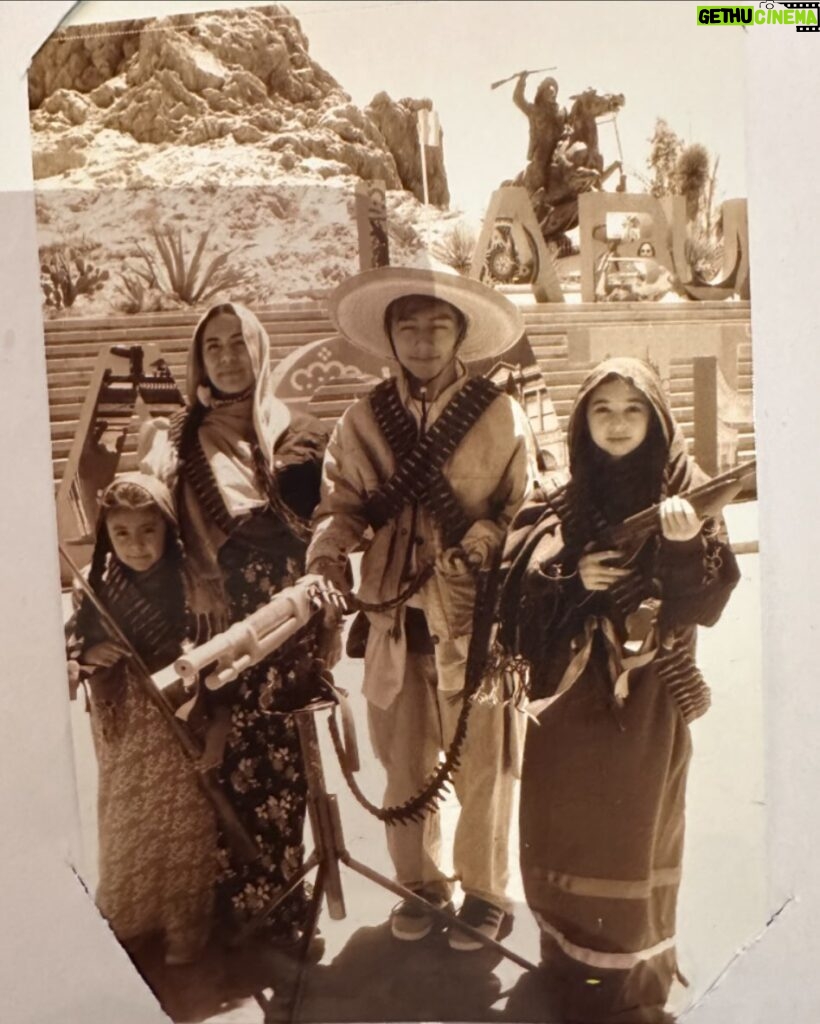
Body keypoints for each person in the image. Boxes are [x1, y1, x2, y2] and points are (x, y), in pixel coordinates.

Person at [497, 358, 741, 1022]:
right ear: (582, 422)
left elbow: (708, 603)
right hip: (570, 700)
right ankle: (568, 968)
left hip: (651, 697)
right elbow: (515, 592)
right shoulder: (559, 496)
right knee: (564, 831)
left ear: (657, 419)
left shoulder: (686, 490)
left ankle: (635, 984)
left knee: (639, 834)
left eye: (632, 409)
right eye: (601, 408)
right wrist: (575, 576)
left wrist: (687, 546)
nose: (617, 423)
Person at [306, 266, 536, 950]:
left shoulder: (499, 412)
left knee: (483, 763)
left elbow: (526, 508)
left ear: (461, 333)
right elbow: (340, 506)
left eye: (439, 325)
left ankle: (486, 892)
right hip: (392, 618)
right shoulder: (361, 419)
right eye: (408, 325)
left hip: (475, 617)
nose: (424, 339)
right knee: (403, 761)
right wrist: (325, 557)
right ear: (389, 337)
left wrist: (488, 537)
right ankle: (422, 884)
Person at [139, 301, 331, 947]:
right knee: (226, 757)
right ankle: (240, 901)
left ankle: (287, 896)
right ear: (199, 358)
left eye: (237, 343)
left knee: (289, 760)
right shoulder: (178, 439)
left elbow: (325, 522)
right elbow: (153, 514)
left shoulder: (298, 428)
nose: (226, 356)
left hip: (290, 615)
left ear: (259, 348)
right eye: (213, 346)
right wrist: (198, 576)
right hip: (218, 615)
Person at [66, 473, 217, 966]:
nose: (136, 545)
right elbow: (70, 644)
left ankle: (183, 928)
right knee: (126, 817)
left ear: (168, 528)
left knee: (183, 822)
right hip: (123, 722)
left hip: (178, 721)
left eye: (148, 530)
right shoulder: (94, 582)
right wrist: (89, 652)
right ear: (107, 535)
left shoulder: (190, 581)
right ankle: (130, 920)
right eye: (122, 533)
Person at [513, 72, 566, 194]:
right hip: (542, 150)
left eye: (554, 92)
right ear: (542, 93)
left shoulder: (561, 112)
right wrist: (522, 81)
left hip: (559, 147)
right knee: (539, 168)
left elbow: (569, 125)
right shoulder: (534, 110)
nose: (552, 93)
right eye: (549, 91)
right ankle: (535, 195)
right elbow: (518, 99)